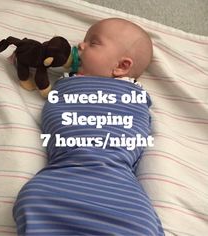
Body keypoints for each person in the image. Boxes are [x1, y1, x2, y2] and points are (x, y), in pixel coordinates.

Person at [13, 18, 164, 235]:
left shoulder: (132, 96)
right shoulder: (68, 85)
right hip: (60, 178)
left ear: (122, 66)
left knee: (139, 224)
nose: (80, 46)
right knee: (33, 198)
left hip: (118, 190)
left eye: (93, 43)